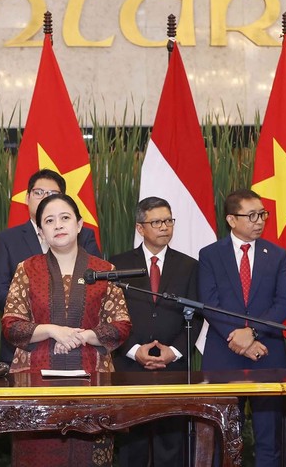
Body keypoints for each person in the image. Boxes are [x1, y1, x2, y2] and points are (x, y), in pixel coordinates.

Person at [2, 193, 131, 466]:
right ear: (41, 231)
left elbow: (120, 325)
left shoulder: (104, 270)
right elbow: (12, 326)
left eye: (65, 218)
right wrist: (52, 330)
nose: (58, 225)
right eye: (49, 221)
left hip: (93, 385)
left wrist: (81, 336)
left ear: (79, 223)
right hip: (35, 386)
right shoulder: (26, 269)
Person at [198, 189, 286, 466]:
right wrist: (238, 337)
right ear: (231, 219)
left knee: (268, 436)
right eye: (251, 215)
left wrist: (251, 334)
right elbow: (209, 302)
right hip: (223, 355)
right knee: (222, 435)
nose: (259, 221)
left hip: (267, 353)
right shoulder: (210, 255)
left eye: (262, 214)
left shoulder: (277, 255)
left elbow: (283, 302)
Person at [110, 196, 200, 466]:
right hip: (129, 366)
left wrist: (173, 352)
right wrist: (134, 350)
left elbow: (196, 317)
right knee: (131, 447)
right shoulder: (118, 264)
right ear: (140, 228)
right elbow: (110, 314)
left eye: (169, 221)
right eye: (157, 222)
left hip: (172, 368)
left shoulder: (189, 265)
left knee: (170, 444)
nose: (165, 227)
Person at [0, 168, 102, 364]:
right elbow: (0, 289)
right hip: (26, 348)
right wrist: (43, 328)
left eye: (52, 194)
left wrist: (69, 333)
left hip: (80, 346)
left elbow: (96, 285)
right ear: (26, 197)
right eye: (38, 192)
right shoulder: (7, 239)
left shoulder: (84, 235)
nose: (44, 198)